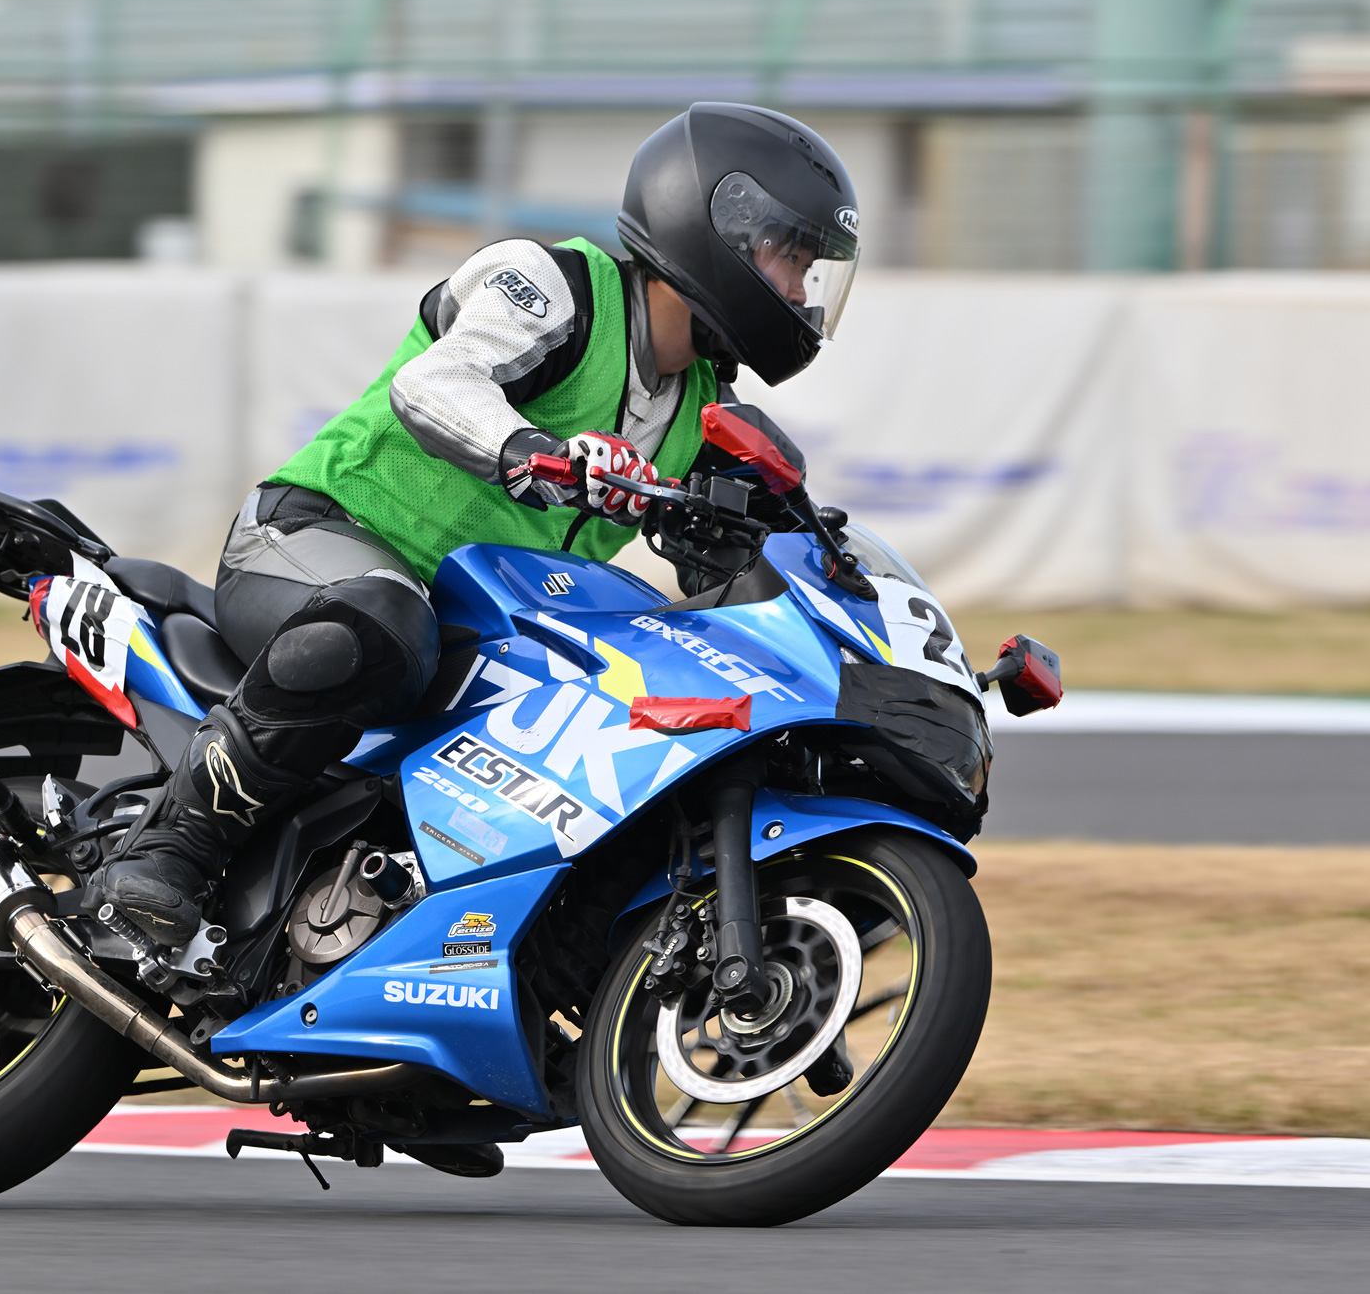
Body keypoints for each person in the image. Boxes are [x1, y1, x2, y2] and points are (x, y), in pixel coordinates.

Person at [88, 101, 861, 957]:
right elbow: (434, 385)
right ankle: (169, 848)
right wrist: (533, 450)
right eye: (791, 258)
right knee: (383, 622)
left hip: (470, 622)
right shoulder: (555, 287)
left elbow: (756, 556)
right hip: (315, 539)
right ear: (715, 224)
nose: (800, 292)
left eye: (809, 270)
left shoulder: (704, 413)